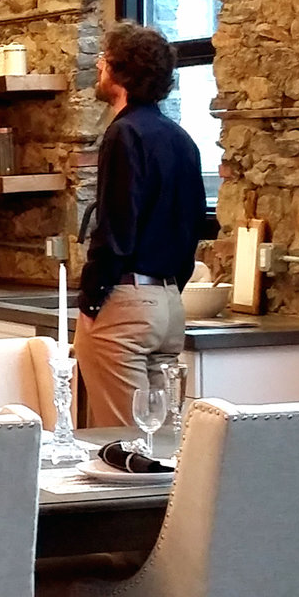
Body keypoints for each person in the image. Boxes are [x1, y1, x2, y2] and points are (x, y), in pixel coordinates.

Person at [76, 25, 207, 433]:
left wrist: (92, 298)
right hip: (168, 303)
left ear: (121, 71)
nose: (98, 64)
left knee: (124, 440)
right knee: (165, 440)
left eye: (104, 57)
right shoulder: (182, 138)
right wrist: (169, 289)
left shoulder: (124, 133)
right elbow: (193, 226)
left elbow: (117, 225)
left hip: (127, 302)